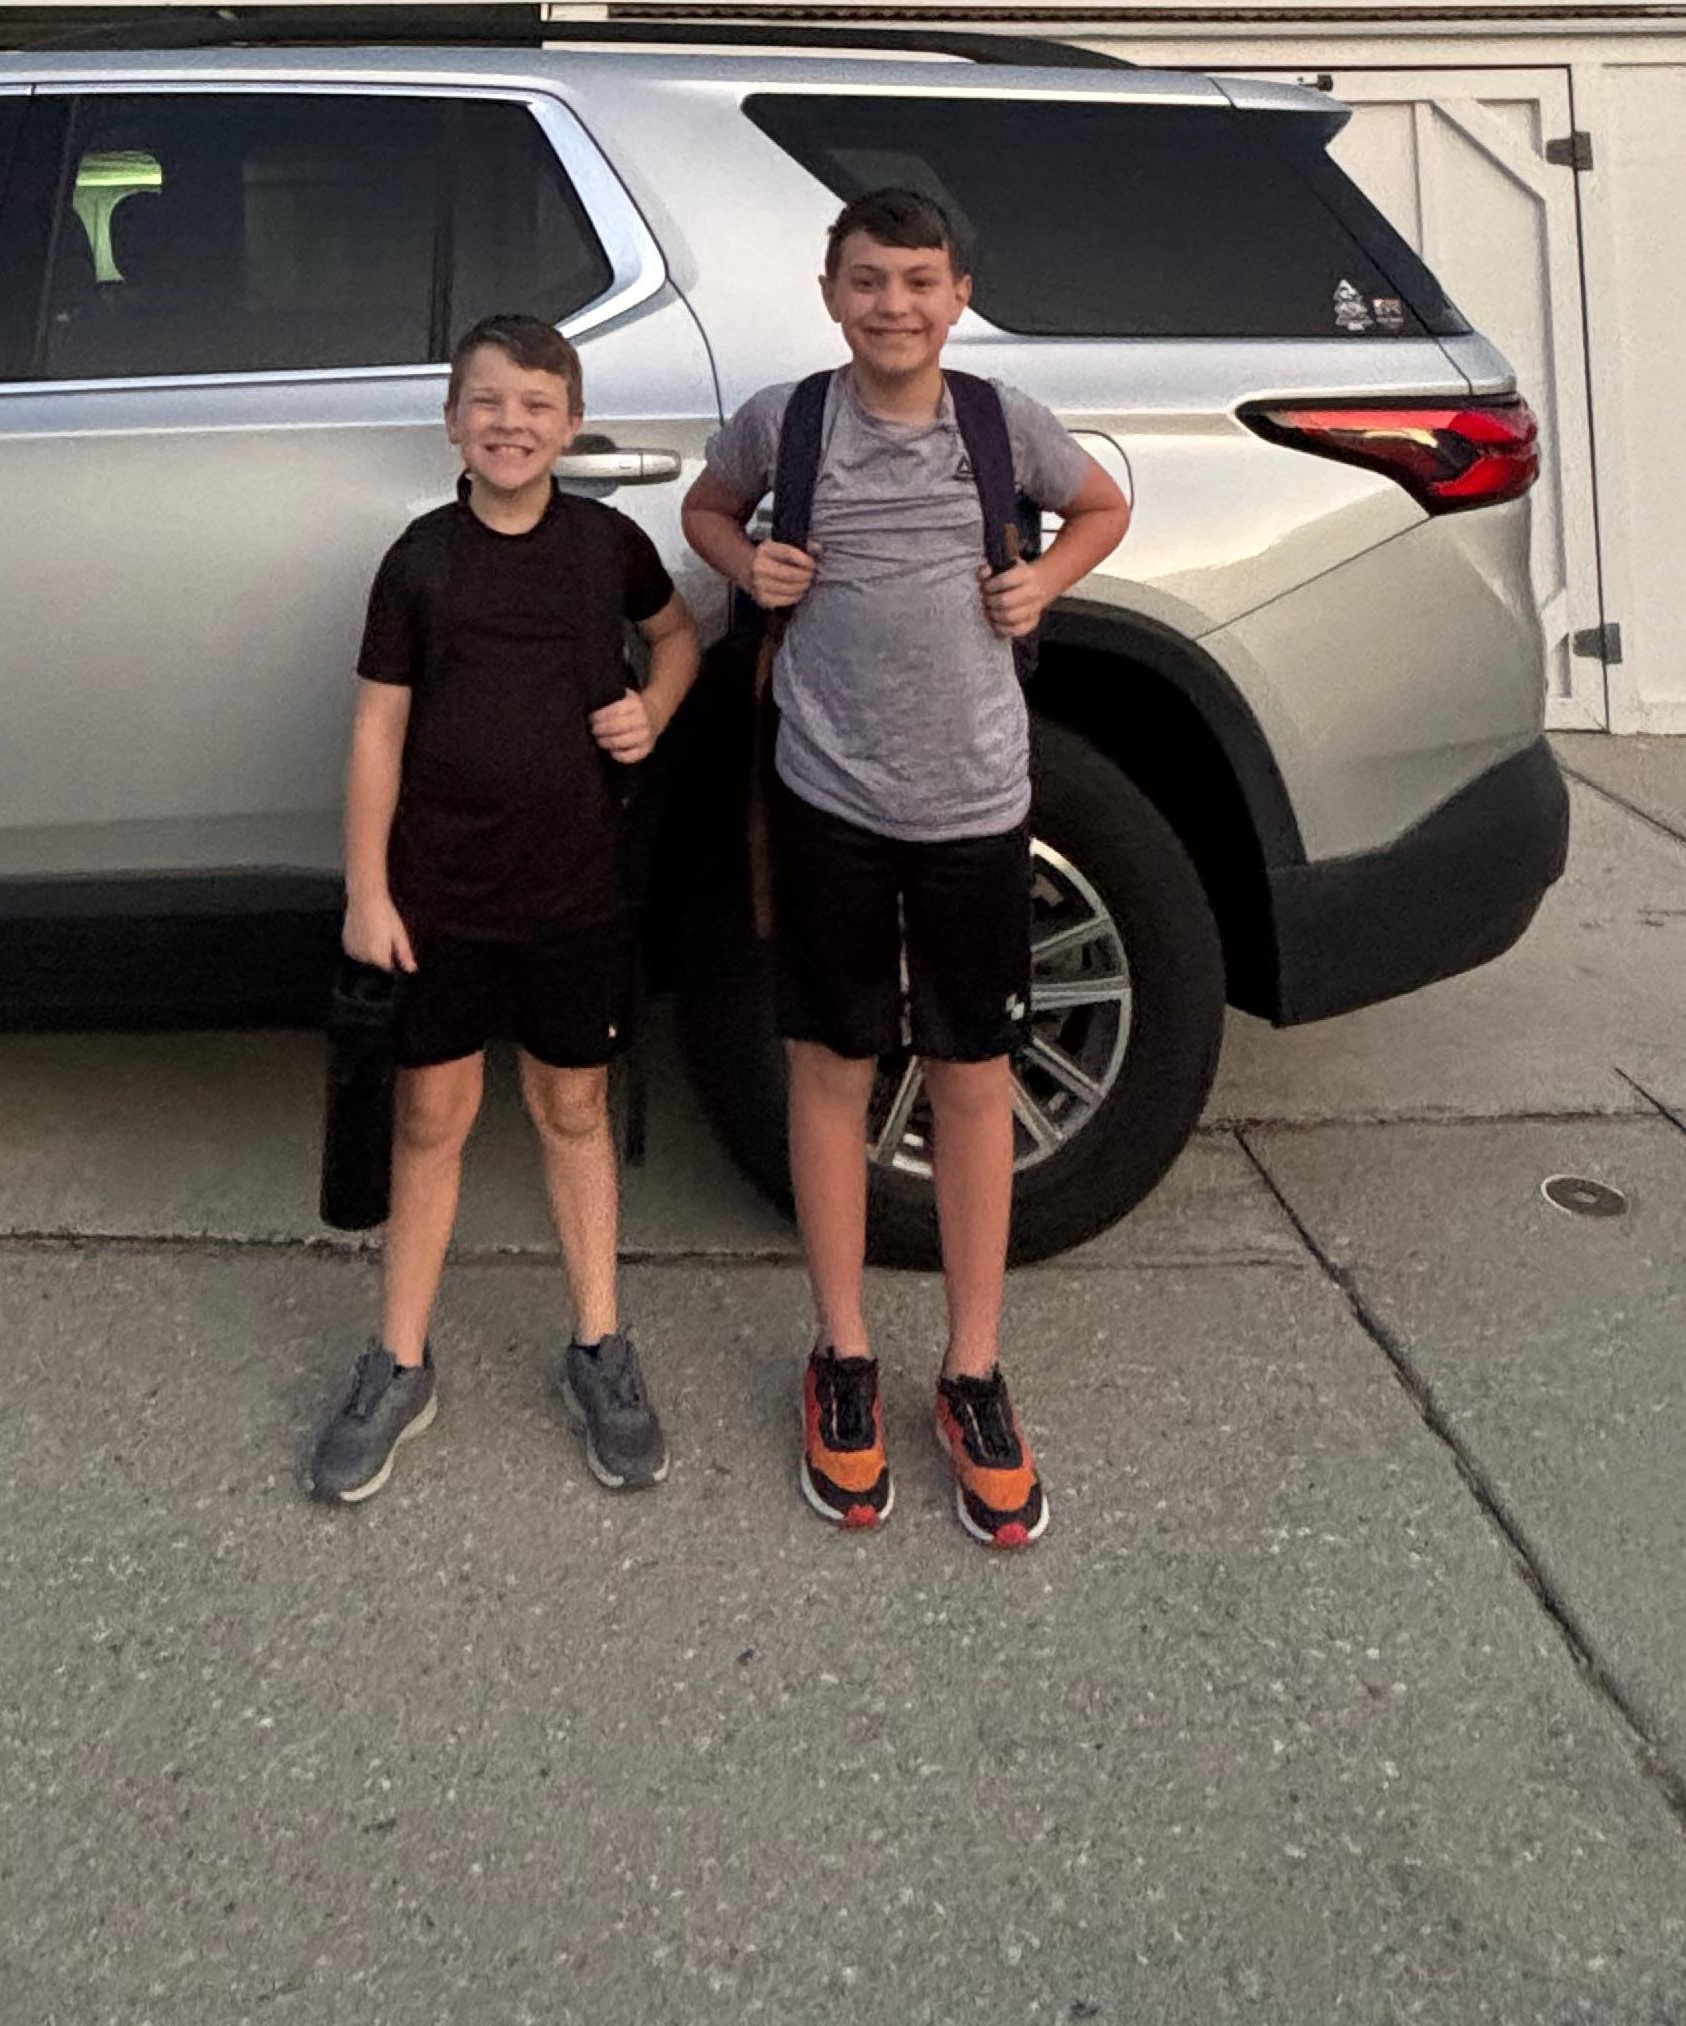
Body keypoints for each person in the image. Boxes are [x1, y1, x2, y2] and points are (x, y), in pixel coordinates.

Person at [682, 187, 1130, 1548]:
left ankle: (976, 1369)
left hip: (978, 806)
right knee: (830, 1065)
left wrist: (1045, 587)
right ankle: (843, 1353)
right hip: (824, 796)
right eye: (868, 281)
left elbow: (1102, 507)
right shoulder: (788, 421)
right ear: (831, 294)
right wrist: (744, 561)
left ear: (959, 295)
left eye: (919, 282)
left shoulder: (1002, 427)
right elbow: (710, 508)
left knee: (973, 1076)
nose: (895, 306)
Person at [304, 312, 701, 1506]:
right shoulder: (419, 559)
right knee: (432, 1117)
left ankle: (600, 1345)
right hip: (441, 893)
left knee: (572, 1106)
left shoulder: (608, 548)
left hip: (574, 891)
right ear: (452, 424)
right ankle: (400, 1358)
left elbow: (677, 637)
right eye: (487, 403)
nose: (511, 424)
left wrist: (658, 706)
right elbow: (378, 727)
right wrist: (368, 890)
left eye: (536, 404)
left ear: (570, 424)